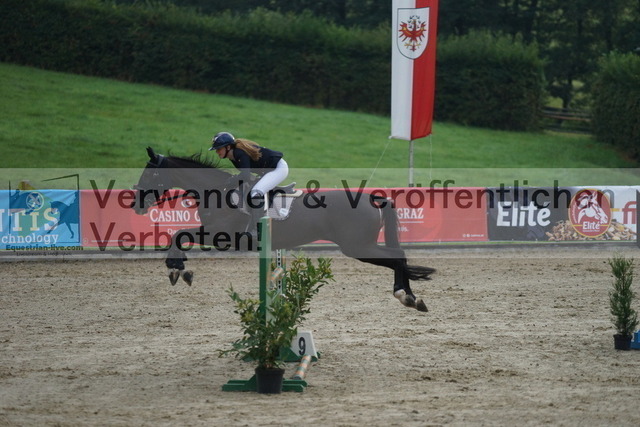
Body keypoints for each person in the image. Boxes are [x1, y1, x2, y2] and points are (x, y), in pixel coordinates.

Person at [209, 131, 288, 237]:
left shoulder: (239, 153)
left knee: (256, 193)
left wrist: (232, 180)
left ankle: (257, 229)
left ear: (228, 147)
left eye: (219, 149)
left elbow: (245, 175)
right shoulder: (233, 155)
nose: (217, 152)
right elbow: (246, 175)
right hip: (268, 170)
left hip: (278, 169)